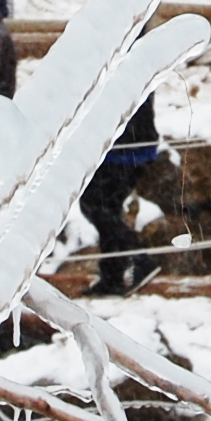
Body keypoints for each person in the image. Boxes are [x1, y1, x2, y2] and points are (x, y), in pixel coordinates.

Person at [81, 93, 159, 296]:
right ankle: (113, 276)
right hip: (135, 143)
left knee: (94, 204)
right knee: (108, 207)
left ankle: (137, 257)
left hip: (122, 147)